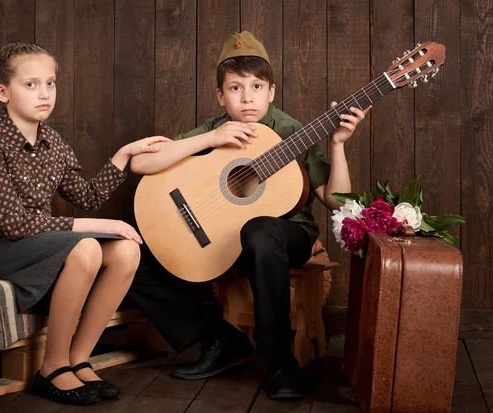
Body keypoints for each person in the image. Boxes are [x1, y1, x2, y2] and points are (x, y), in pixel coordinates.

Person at [128, 31, 370, 399]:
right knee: (130, 256)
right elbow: (142, 161)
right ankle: (221, 339)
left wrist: (337, 144)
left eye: (257, 86)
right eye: (236, 88)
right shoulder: (214, 128)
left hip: (284, 238)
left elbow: (335, 200)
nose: (247, 97)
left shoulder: (292, 132)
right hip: (223, 239)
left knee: (259, 230)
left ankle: (279, 364)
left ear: (271, 92)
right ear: (220, 95)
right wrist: (210, 140)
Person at [0, 42, 169, 406]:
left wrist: (124, 154)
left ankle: (79, 359)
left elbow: (87, 196)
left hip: (40, 241)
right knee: (85, 246)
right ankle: (52, 366)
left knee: (126, 250)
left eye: (50, 83)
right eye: (31, 84)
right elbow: (14, 223)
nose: (44, 94)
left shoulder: (53, 141)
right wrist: (97, 226)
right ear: (3, 93)